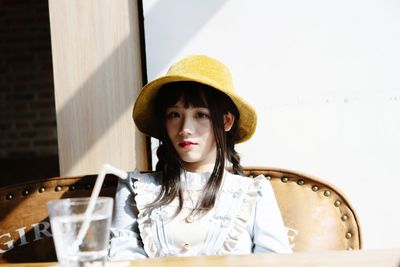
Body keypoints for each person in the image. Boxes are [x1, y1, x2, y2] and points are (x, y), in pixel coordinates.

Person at [108, 55, 292, 259]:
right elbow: (122, 260)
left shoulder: (254, 193)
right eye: (174, 115)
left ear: (226, 121)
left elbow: (278, 261)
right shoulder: (134, 189)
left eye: (200, 115)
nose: (185, 129)